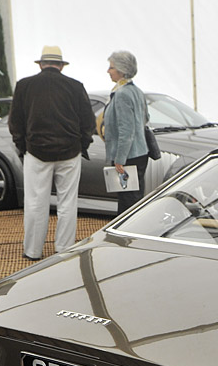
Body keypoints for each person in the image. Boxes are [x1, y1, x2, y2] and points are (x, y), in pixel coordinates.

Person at [8, 45, 94, 260]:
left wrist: (23, 146)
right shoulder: (75, 86)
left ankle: (33, 251)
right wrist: (82, 145)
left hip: (36, 151)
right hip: (70, 151)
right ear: (61, 66)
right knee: (67, 204)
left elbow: (15, 122)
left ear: (41, 64)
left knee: (36, 203)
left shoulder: (25, 85)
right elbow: (88, 121)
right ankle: (64, 250)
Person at [102, 50, 149, 213]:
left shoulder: (121, 94)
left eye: (111, 67)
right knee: (135, 198)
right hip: (140, 152)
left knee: (127, 203)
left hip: (128, 156)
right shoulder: (137, 91)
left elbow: (126, 130)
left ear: (121, 70)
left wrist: (119, 159)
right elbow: (145, 118)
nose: (108, 71)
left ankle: (127, 235)